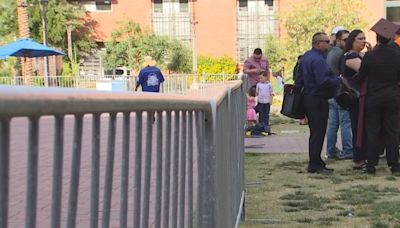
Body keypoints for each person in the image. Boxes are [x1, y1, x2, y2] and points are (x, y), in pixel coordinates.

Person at [355, 19, 400, 174]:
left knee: (372, 131)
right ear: (390, 37)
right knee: (392, 132)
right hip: (392, 97)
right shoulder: (397, 55)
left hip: (373, 98)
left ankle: (371, 165)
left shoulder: (370, 56)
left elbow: (361, 77)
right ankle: (394, 165)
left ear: (377, 38)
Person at [296, 32, 341, 174]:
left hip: (309, 97)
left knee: (315, 131)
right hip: (318, 98)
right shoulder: (318, 60)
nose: (329, 44)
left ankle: (316, 160)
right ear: (317, 43)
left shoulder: (306, 57)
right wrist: (338, 80)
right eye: (326, 41)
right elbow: (323, 80)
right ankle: (315, 164)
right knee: (318, 132)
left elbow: (298, 77)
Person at [342, 29, 372, 170]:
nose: (363, 41)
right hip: (355, 97)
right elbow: (365, 71)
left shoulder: (359, 55)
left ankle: (362, 156)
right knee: (357, 127)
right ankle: (358, 158)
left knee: (362, 127)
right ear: (352, 41)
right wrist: (371, 56)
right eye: (360, 38)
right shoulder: (351, 56)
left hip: (361, 96)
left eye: (364, 38)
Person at [325, 29, 353, 159]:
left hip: (331, 92)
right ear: (338, 40)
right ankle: (348, 149)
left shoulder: (329, 52)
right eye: (346, 40)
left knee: (333, 124)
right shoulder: (341, 54)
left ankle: (331, 150)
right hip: (340, 93)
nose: (348, 42)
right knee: (345, 123)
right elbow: (344, 74)